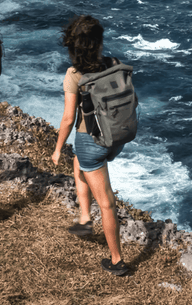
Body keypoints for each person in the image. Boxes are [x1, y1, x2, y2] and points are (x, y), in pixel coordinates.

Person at [50, 15, 131, 276]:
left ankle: (117, 261)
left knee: (106, 203)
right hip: (117, 137)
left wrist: (57, 148)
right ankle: (84, 218)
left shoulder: (74, 75)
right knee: (80, 164)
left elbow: (67, 118)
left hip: (91, 142)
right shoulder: (115, 64)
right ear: (99, 43)